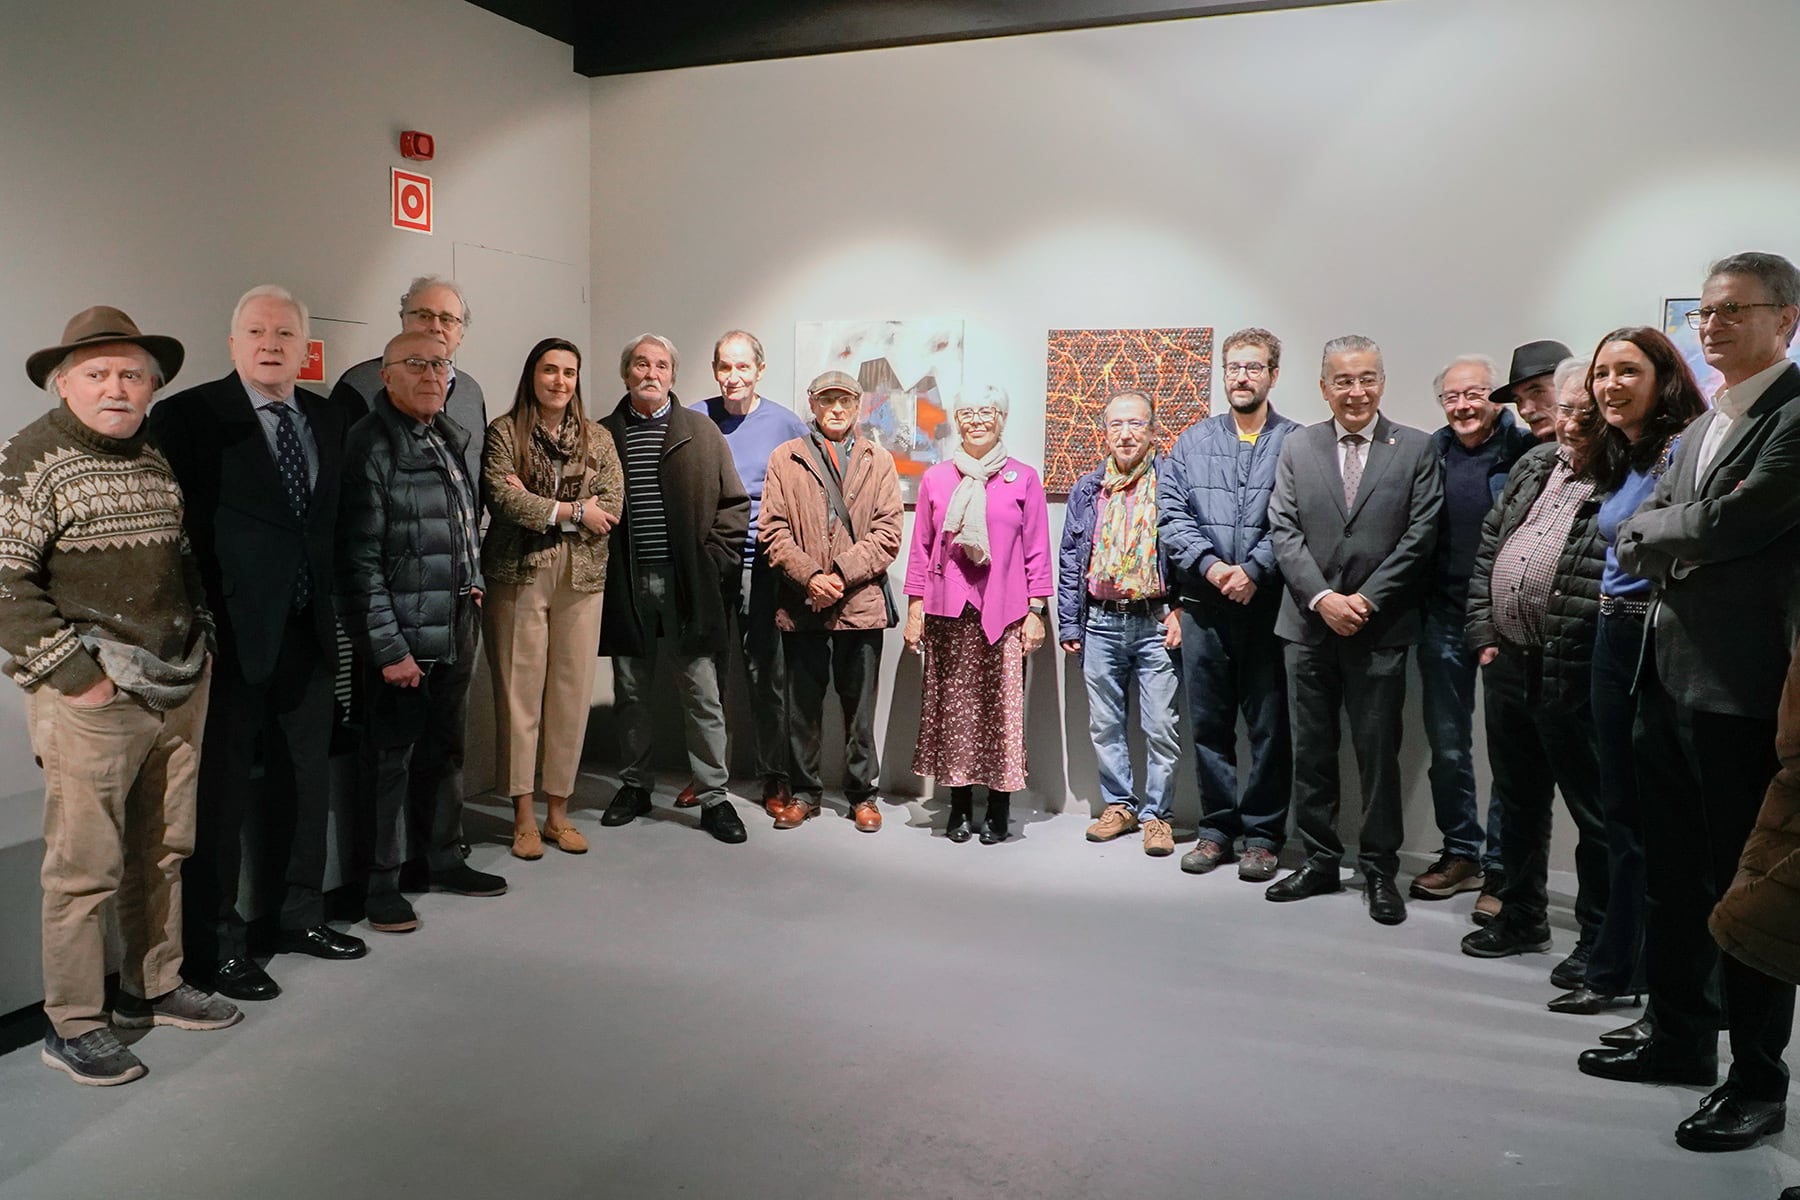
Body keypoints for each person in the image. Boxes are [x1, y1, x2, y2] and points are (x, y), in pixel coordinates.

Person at [1587, 253, 1800, 1153]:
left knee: (1741, 897)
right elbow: (1659, 534)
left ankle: (1757, 1081)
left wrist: (1669, 535)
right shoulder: (1706, 423)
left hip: (1741, 693)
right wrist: (1674, 535)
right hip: (1665, 677)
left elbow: (1725, 525)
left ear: (1785, 319)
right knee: (1675, 877)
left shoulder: (1792, 416)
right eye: (1705, 312)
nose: (1710, 325)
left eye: (1733, 311)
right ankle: (1681, 1038)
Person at [6, 307, 238, 1086]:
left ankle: (153, 988)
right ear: (63, 382)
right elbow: (5, 586)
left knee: (164, 851)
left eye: (131, 374)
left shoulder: (152, 454)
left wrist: (200, 638)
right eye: (98, 373)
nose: (116, 386)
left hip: (176, 683)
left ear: (152, 386)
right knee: (84, 870)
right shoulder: (29, 460)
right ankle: (72, 1022)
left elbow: (181, 558)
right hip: (94, 700)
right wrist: (81, 678)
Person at [149, 285, 365, 1003]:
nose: (270, 343)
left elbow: (329, 525)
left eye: (284, 333)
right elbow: (174, 535)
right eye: (256, 331)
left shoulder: (331, 416)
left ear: (306, 348)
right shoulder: (187, 417)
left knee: (306, 782)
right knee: (221, 796)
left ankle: (299, 917)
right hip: (229, 638)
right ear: (233, 342)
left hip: (308, 631)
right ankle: (217, 945)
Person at [1264, 336, 1442, 925]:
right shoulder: (1298, 446)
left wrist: (1361, 600)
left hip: (1380, 628)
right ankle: (1318, 860)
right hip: (1307, 629)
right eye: (1342, 381)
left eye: (1366, 378)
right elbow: (1283, 530)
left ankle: (1378, 871)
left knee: (1377, 757)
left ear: (1382, 382)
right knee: (1311, 754)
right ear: (1323, 387)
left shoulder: (1415, 448)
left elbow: (1421, 536)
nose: (1355, 391)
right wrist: (1321, 598)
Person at [337, 330, 506, 934]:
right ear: (386, 375)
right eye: (417, 364)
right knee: (389, 760)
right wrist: (387, 649)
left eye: (440, 365)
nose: (433, 375)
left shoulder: (442, 435)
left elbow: (464, 523)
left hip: (455, 619)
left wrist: (476, 579)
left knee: (445, 749)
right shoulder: (370, 446)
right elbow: (357, 562)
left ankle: (441, 857)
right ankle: (381, 884)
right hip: (403, 635)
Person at [1567, 330, 1704, 1046]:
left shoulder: (1684, 446)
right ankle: (1620, 965)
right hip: (1611, 632)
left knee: (1652, 818)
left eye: (1629, 370)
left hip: (1653, 634)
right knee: (1620, 808)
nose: (1611, 384)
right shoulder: (1623, 453)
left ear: (1664, 376)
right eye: (1602, 373)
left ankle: (1638, 970)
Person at [1459, 358, 1610, 992]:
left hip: (1571, 669)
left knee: (1594, 809)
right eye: (1564, 410)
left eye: (1584, 411)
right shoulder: (1531, 465)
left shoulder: (1625, 476)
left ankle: (1602, 939)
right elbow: (1490, 548)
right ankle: (1521, 914)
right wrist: (1484, 634)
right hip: (1509, 660)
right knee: (1518, 797)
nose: (1570, 422)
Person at [596, 334, 752, 844]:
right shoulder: (603, 436)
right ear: (626, 373)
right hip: (626, 583)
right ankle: (635, 786)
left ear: (673, 375)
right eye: (640, 363)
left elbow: (734, 505)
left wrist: (713, 564)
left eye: (661, 364)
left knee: (703, 694)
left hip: (688, 585)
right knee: (632, 694)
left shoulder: (700, 432)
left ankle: (714, 797)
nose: (650, 372)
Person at [1158, 327, 1298, 880]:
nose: (1242, 376)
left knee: (1269, 729)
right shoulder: (1192, 442)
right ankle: (1217, 828)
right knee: (1210, 726)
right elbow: (1172, 516)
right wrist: (1214, 569)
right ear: (1223, 374)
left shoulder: (1297, 442)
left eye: (1254, 367)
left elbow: (1295, 520)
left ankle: (1263, 836)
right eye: (1234, 367)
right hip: (1204, 605)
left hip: (1268, 608)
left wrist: (1254, 570)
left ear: (1273, 375)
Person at [479, 338, 623, 859]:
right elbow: (504, 497)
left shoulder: (598, 438)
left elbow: (612, 503)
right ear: (532, 374)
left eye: (569, 372)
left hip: (582, 577)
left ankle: (558, 811)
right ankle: (522, 814)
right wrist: (572, 510)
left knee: (569, 695)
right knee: (520, 696)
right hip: (517, 572)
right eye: (549, 370)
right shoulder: (505, 431)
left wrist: (548, 505)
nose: (559, 381)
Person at [1412, 354, 1536, 910]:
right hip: (1442, 613)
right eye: (1452, 397)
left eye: (1475, 394)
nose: (1464, 406)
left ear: (1496, 398)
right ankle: (1461, 852)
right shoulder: (1429, 453)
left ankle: (1503, 870)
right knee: (1449, 746)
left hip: (1507, 617)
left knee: (1510, 750)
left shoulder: (1527, 450)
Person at [904, 386, 1052, 845]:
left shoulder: (1023, 478)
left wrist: (1036, 610)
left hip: (1004, 613)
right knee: (953, 714)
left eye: (987, 411)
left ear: (1002, 418)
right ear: (957, 420)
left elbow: (1037, 549)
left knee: (1000, 715)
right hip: (948, 611)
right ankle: (960, 807)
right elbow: (921, 547)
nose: (977, 420)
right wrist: (914, 609)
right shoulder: (937, 479)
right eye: (967, 412)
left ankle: (999, 808)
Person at [758, 370, 903, 832]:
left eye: (844, 401)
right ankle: (804, 792)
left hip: (859, 606)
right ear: (813, 404)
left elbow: (887, 534)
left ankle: (863, 795)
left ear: (857, 404)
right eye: (827, 401)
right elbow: (773, 530)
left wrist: (837, 575)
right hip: (802, 605)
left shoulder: (877, 460)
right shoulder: (787, 458)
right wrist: (811, 578)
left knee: (859, 710)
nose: (836, 409)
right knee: (801, 707)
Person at [684, 331, 807, 816]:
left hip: (764, 566)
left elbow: (804, 495)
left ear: (759, 369)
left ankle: (773, 778)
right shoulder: (695, 418)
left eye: (742, 367)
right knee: (706, 674)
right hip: (711, 565)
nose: (732, 377)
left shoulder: (785, 423)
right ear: (715, 369)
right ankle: (707, 776)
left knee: (766, 676)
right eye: (724, 367)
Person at [1059, 390, 1181, 857]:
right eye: (1116, 425)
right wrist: (1069, 624)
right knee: (1106, 725)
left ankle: (1158, 816)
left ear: (1153, 431)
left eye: (1136, 424)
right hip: (1100, 622)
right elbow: (1071, 558)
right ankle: (1120, 806)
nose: (1126, 433)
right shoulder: (1088, 490)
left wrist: (1183, 607)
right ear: (1104, 433)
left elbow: (1188, 547)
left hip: (1155, 621)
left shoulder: (1172, 482)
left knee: (1161, 727)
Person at [330, 276, 486, 483]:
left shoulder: (471, 391)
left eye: (448, 319)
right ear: (403, 320)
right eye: (424, 315)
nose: (436, 327)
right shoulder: (358, 385)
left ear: (460, 335)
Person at [1492, 340, 1572, 443]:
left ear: (1571, 386)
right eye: (1518, 400)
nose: (1524, 410)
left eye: (1537, 392)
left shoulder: (1597, 447)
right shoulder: (1520, 453)